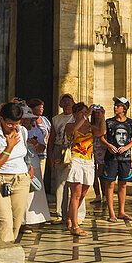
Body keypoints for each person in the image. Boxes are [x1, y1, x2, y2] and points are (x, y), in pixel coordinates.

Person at [0, 101, 34, 243]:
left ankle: (8, 247)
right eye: (9, 124)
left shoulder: (23, 131)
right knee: (4, 220)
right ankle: (4, 255)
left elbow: (24, 153)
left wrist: (29, 166)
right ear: (1, 119)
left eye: (16, 123)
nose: (13, 127)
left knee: (16, 221)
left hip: (21, 180)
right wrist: (9, 147)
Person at [101, 97, 132, 222]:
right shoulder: (109, 122)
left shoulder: (130, 123)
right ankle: (111, 212)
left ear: (124, 108)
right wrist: (109, 145)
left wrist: (126, 147)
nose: (115, 107)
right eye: (115, 105)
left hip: (125, 158)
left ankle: (121, 211)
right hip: (111, 158)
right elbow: (102, 137)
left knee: (123, 184)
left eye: (118, 105)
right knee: (110, 184)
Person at [48, 93, 82, 224]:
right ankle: (60, 213)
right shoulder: (56, 119)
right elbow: (52, 138)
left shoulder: (77, 118)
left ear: (73, 103)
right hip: (59, 149)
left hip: (75, 150)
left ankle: (77, 214)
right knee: (60, 182)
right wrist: (50, 155)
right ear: (60, 104)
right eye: (64, 101)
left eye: (69, 101)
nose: (67, 103)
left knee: (76, 182)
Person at [64, 102, 96, 237]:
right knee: (76, 194)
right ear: (75, 114)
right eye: (82, 112)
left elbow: (102, 131)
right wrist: (86, 116)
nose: (84, 115)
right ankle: (75, 225)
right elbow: (73, 130)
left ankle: (69, 216)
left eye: (86, 112)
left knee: (83, 194)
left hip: (89, 161)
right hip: (76, 160)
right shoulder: (70, 126)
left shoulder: (90, 126)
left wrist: (101, 116)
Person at [21, 100, 51, 229]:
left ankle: (34, 219)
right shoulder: (17, 131)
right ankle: (21, 221)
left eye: (28, 119)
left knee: (35, 192)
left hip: (34, 163)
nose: (25, 121)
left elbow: (42, 148)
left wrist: (35, 143)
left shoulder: (36, 131)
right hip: (20, 164)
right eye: (23, 119)